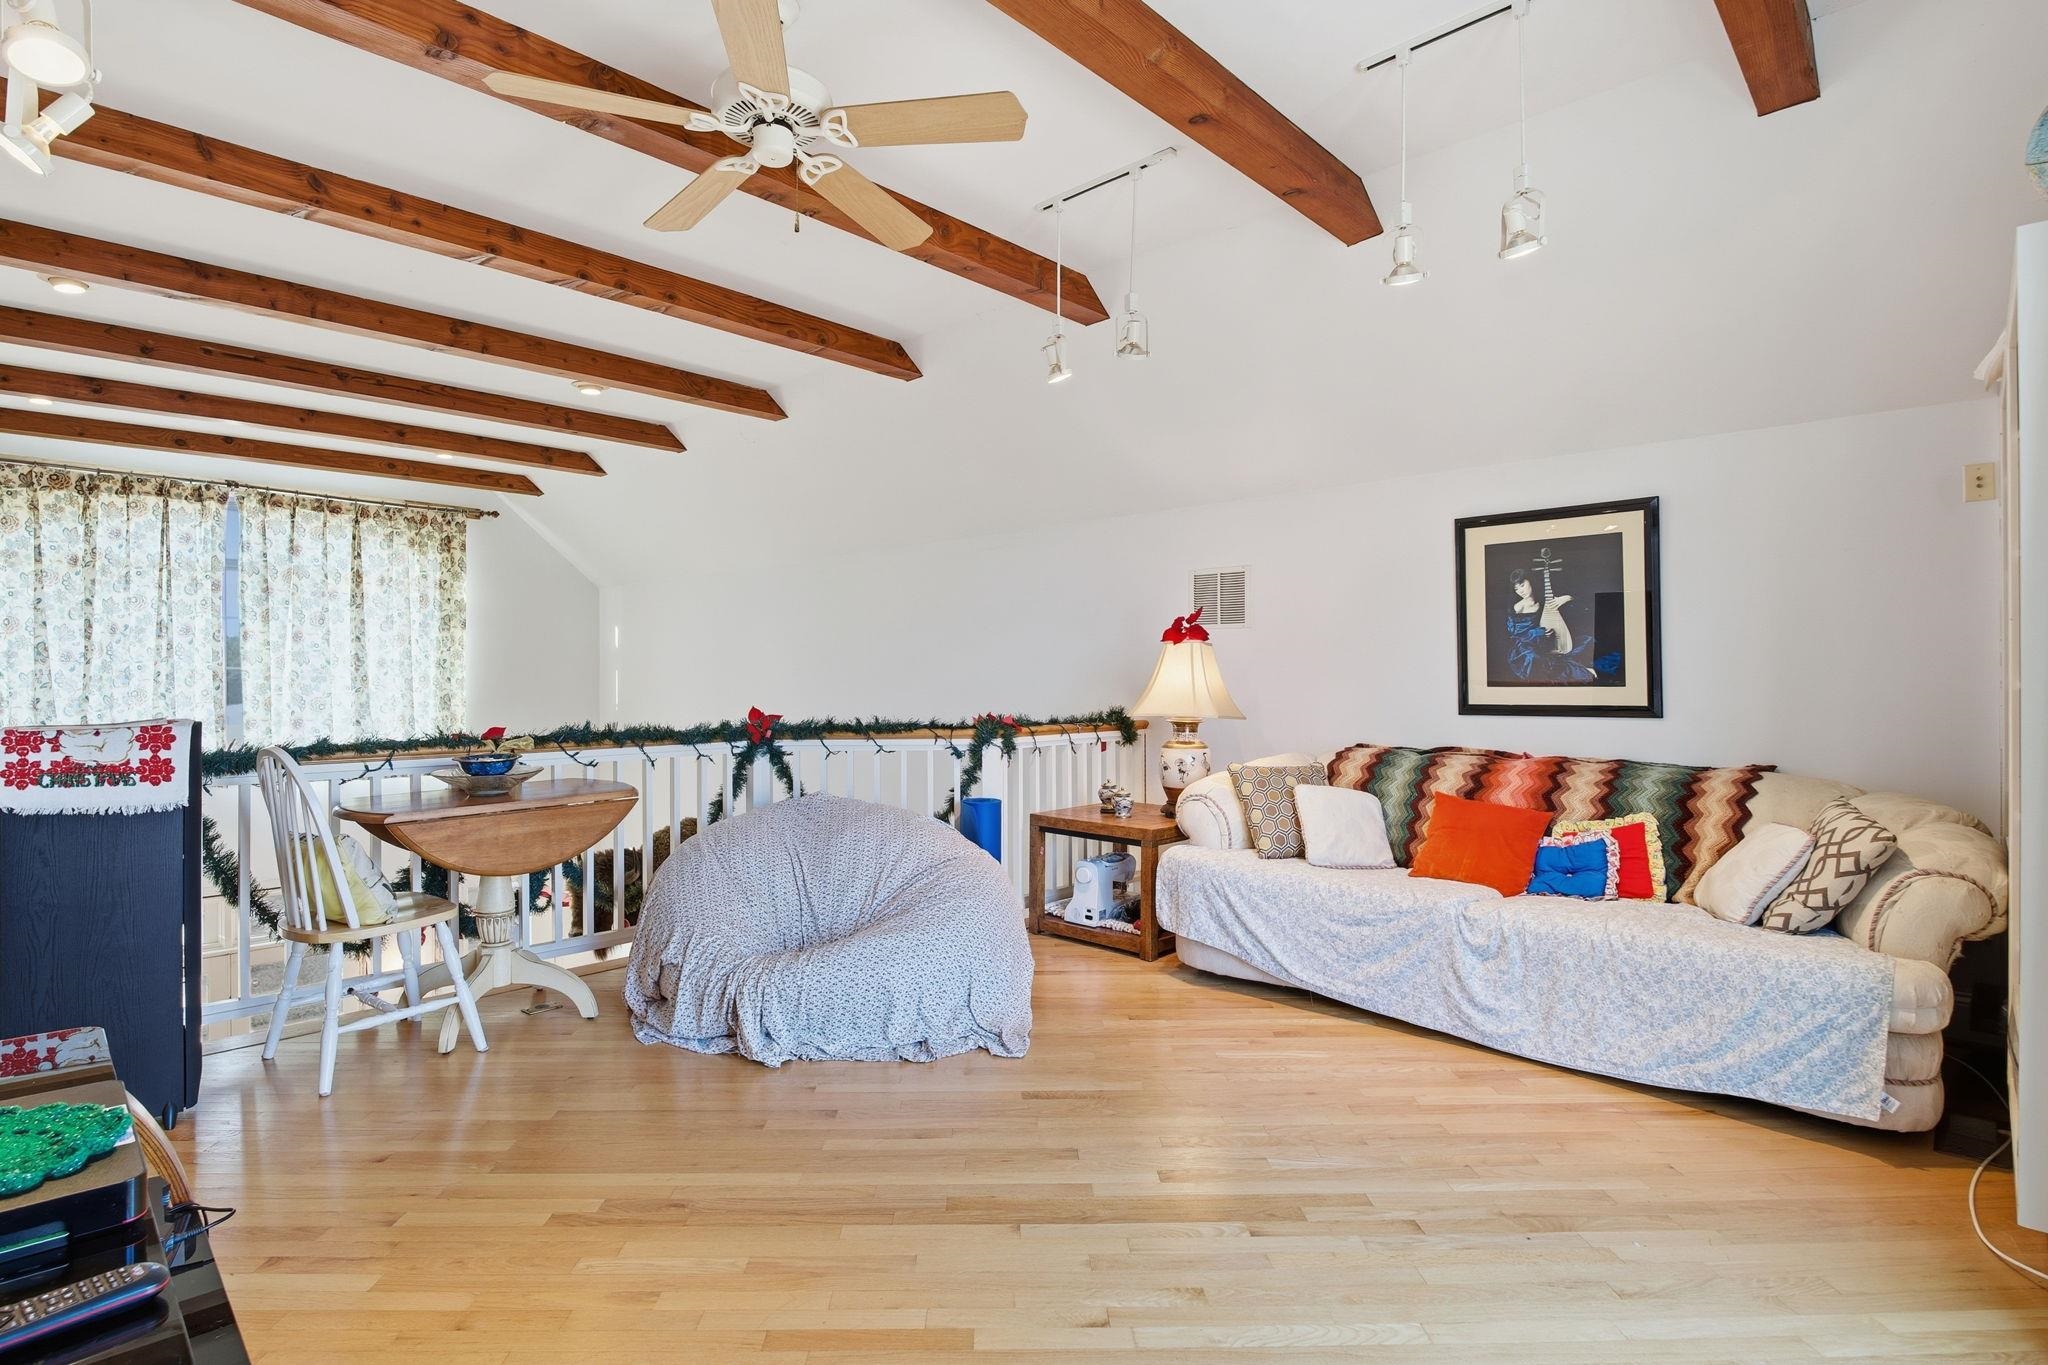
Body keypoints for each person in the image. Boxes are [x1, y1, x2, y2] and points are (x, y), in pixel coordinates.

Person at [1503, 567, 1599, 683]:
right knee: (1534, 658)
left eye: (1522, 585)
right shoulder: (1518, 607)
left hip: (1543, 642)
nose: (1521, 591)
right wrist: (1538, 632)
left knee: (1587, 641)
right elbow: (1514, 635)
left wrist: (1567, 598)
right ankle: (1584, 672)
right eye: (1516, 589)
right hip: (1525, 646)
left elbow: (1580, 607)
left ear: (1530, 581)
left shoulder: (1542, 601)